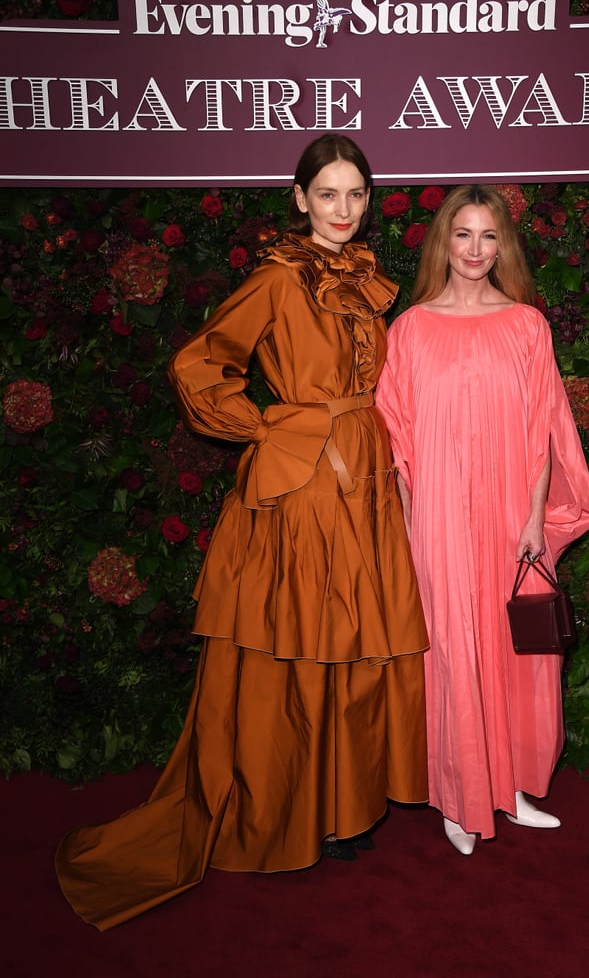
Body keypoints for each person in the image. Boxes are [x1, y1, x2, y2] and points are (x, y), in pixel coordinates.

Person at [55, 134, 429, 929]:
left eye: (355, 195)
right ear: (298, 199)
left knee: (353, 642)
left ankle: (344, 806)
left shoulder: (364, 284)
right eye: (327, 194)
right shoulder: (275, 279)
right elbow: (197, 364)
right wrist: (263, 426)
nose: (342, 210)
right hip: (301, 482)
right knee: (293, 645)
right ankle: (288, 813)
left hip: (364, 475)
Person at [375, 184, 589, 856]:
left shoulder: (526, 325)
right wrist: (411, 530)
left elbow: (544, 432)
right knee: (449, 652)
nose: (475, 250)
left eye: (488, 236)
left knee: (511, 652)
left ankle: (514, 788)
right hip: (438, 519)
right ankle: (459, 797)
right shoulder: (409, 329)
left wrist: (534, 521)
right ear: (443, 241)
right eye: (463, 234)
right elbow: (397, 443)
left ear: (504, 245)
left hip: (509, 519)